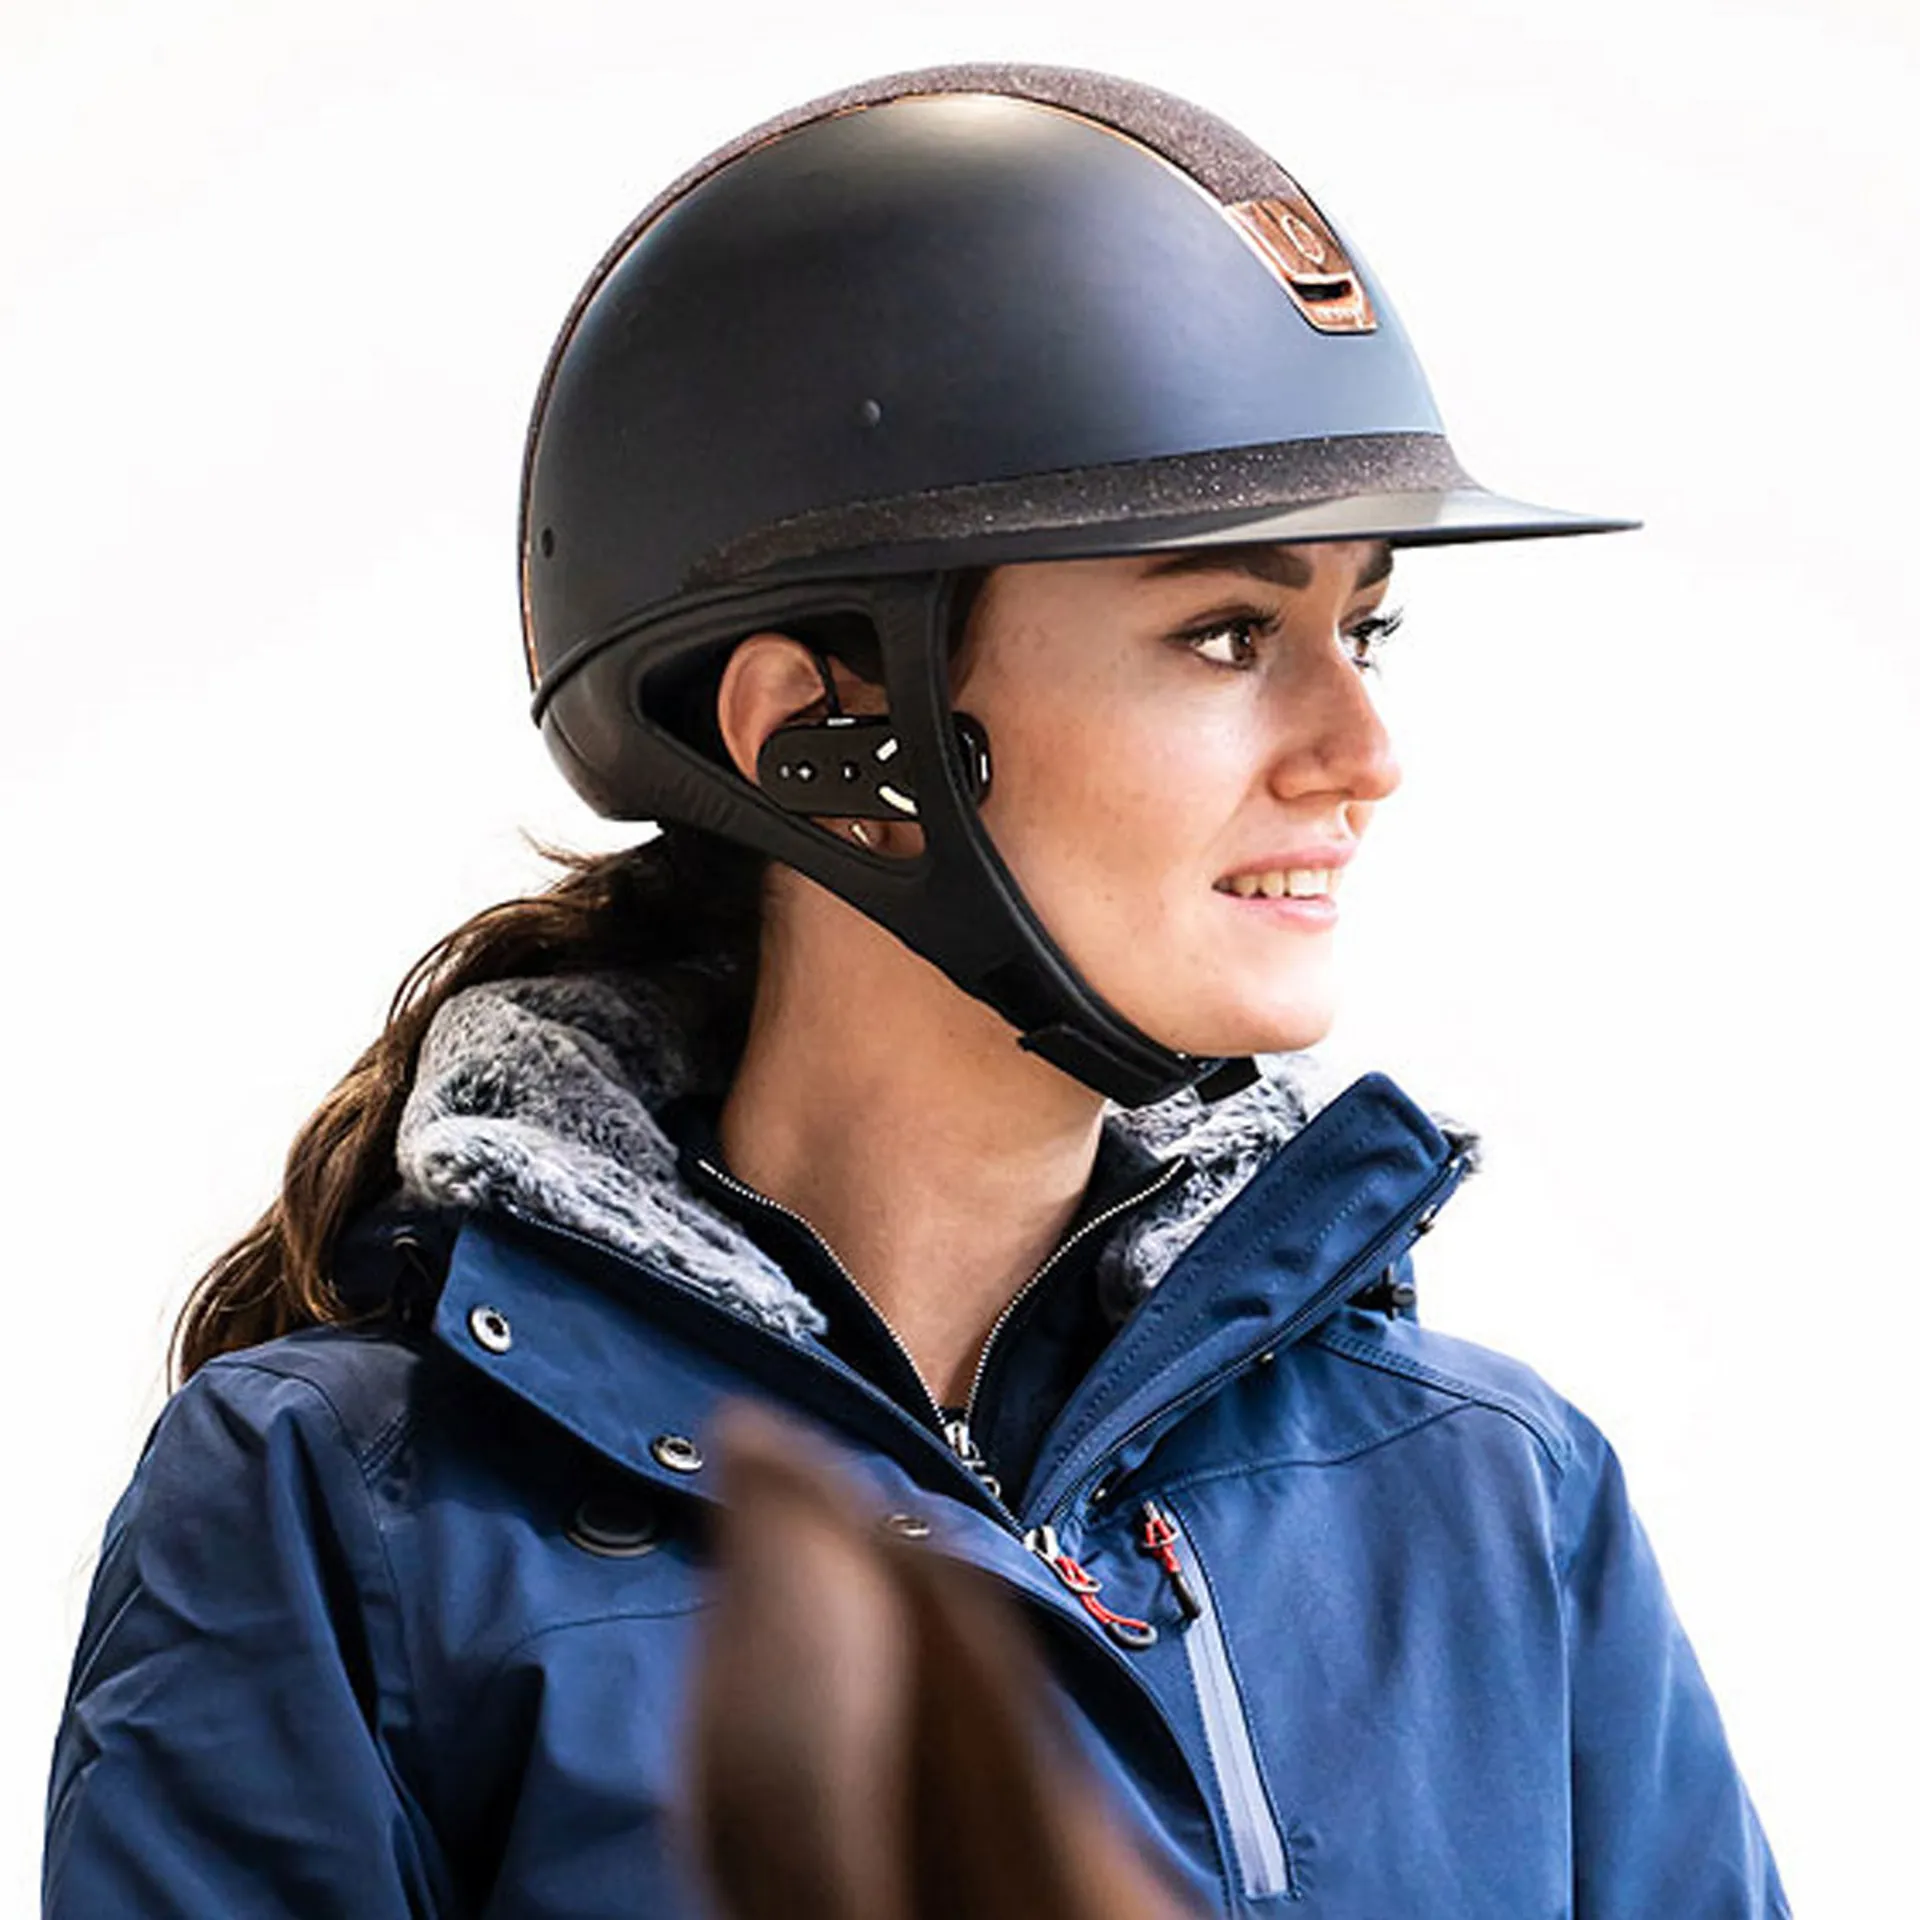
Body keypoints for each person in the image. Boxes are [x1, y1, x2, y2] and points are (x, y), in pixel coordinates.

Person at [43, 63, 1789, 1917]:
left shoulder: (1498, 1497)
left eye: (1364, 627)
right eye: (1227, 634)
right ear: (824, 737)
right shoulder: (339, 1513)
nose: (1362, 750)